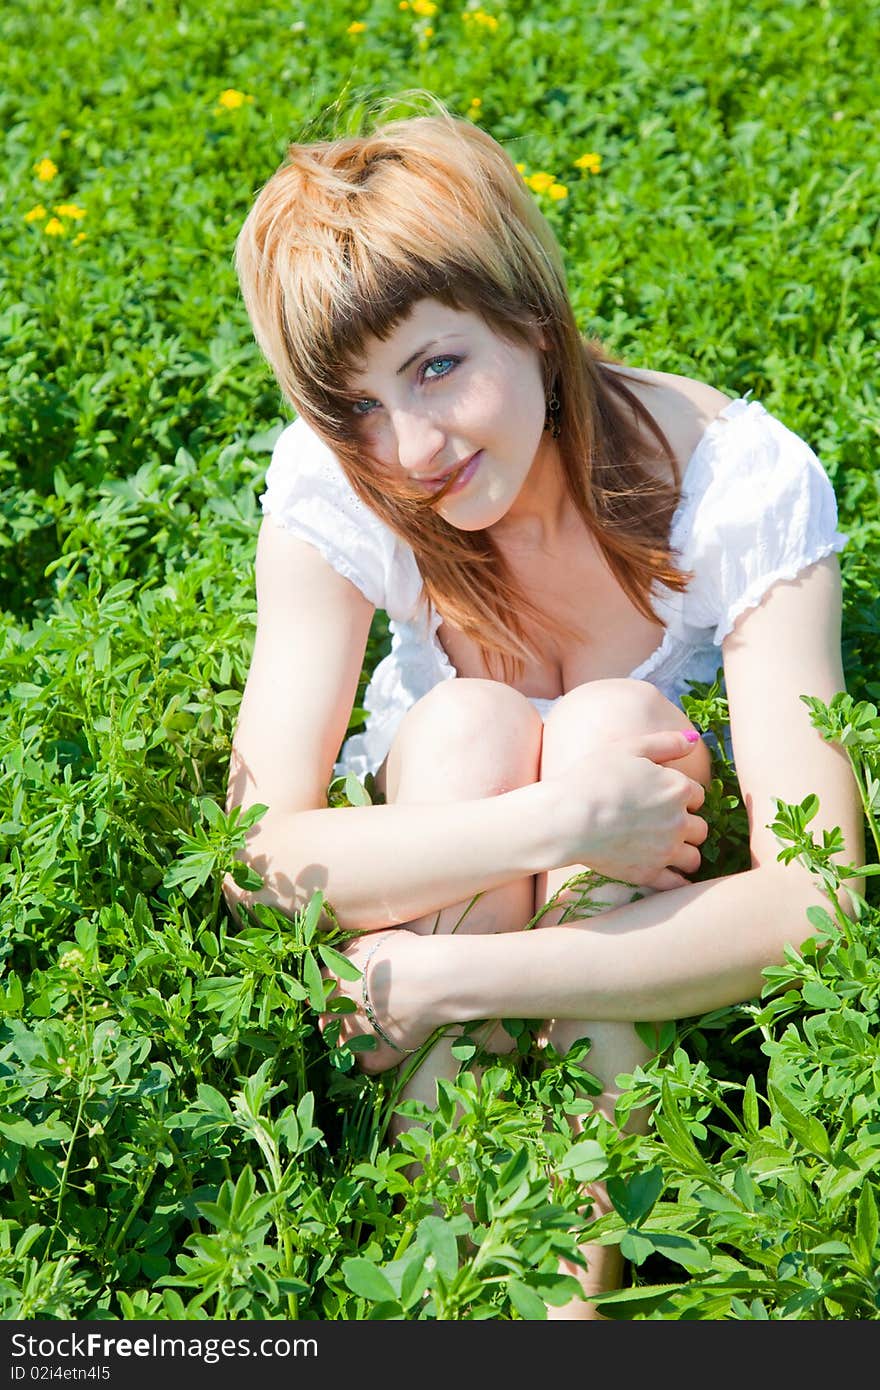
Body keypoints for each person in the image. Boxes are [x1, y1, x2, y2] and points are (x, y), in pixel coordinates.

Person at [224, 96, 865, 1318]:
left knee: (614, 718)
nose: (406, 448)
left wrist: (449, 980)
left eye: (435, 366)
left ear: (531, 316)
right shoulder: (335, 484)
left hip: (565, 929)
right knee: (468, 725)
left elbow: (815, 898)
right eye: (353, 405)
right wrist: (558, 824)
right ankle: (452, 1272)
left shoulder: (741, 486)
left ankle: (562, 1303)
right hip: (479, 830)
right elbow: (255, 854)